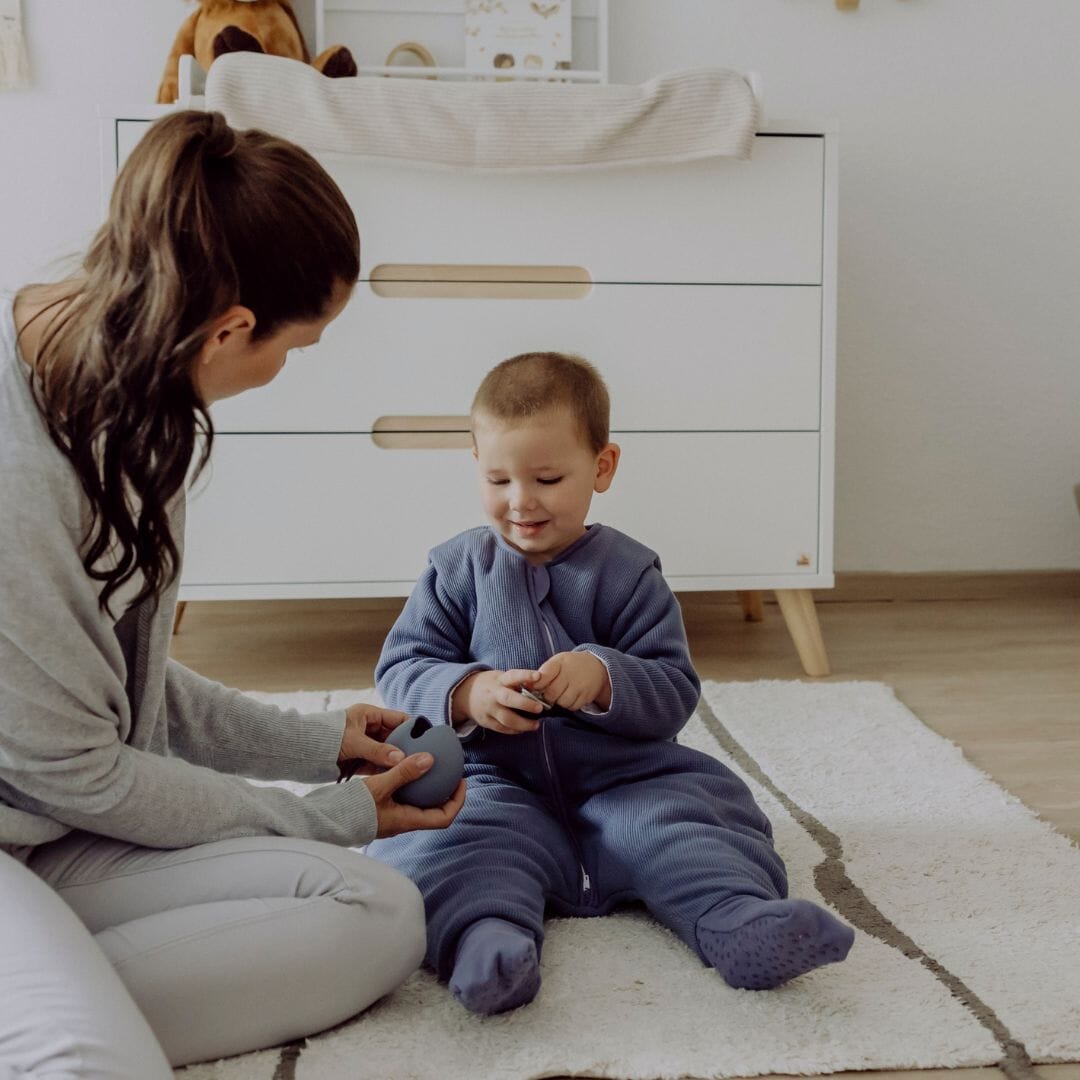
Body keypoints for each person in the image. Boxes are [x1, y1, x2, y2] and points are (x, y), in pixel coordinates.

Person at [0, 109, 465, 1077]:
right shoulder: (21, 474)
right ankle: (51, 1011)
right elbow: (82, 770)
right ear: (231, 329)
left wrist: (318, 744)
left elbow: (109, 688)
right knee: (89, 1062)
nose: (286, 370)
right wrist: (328, 815)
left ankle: (47, 986)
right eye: (300, 346)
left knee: (377, 910)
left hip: (47, 829)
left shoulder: (131, 394)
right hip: (44, 813)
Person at [368, 351, 855, 1015]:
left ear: (602, 467)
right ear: (475, 464)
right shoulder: (455, 570)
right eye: (498, 479)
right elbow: (402, 668)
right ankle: (486, 942)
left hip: (628, 777)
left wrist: (603, 678)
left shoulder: (627, 573)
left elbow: (673, 687)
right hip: (491, 780)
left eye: (547, 478)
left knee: (686, 827)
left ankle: (734, 920)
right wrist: (467, 693)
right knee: (452, 846)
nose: (521, 500)